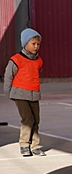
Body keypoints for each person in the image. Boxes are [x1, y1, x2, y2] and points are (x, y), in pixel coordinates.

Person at [3, 28, 46, 157]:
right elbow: (8, 76)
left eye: (38, 44)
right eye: (33, 44)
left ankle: (35, 145)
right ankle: (24, 144)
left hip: (34, 94)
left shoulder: (39, 61)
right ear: (25, 43)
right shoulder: (16, 59)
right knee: (27, 119)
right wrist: (8, 92)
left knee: (36, 120)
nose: (36, 46)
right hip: (19, 94)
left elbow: (38, 74)